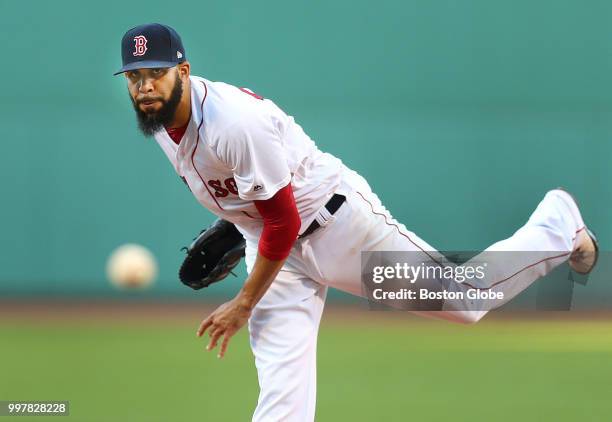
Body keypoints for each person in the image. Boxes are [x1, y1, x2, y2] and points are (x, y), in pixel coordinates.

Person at [115, 23, 598, 421]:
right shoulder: (160, 123)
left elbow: (282, 219)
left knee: (464, 299)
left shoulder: (232, 122)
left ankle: (557, 224)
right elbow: (262, 210)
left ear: (183, 70)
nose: (145, 87)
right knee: (283, 399)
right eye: (134, 78)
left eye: (155, 74)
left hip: (339, 231)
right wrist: (240, 227)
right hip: (276, 255)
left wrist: (243, 302)